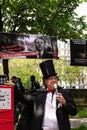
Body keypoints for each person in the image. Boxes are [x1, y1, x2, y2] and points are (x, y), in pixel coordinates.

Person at [17, 60, 77, 130]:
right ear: (46, 82)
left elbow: (74, 112)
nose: (53, 80)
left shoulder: (65, 93)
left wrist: (64, 102)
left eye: (55, 78)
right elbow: (23, 98)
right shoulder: (39, 95)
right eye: (51, 79)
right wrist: (14, 88)